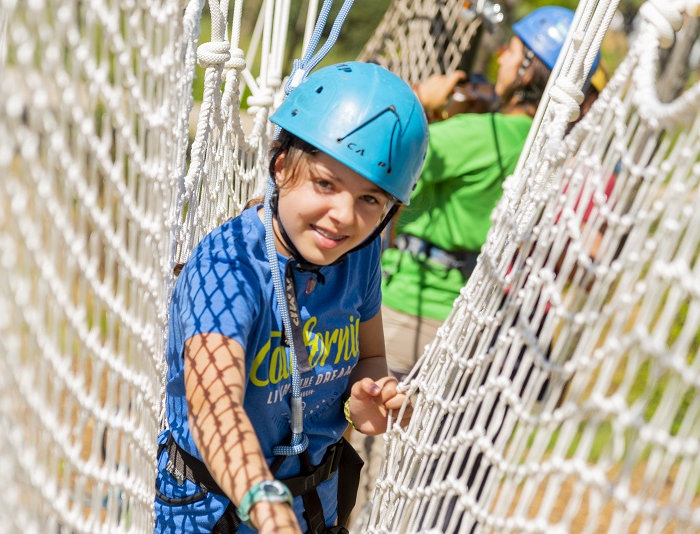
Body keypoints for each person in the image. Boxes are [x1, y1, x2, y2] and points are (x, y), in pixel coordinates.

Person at [154, 61, 429, 533]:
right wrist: (266, 504)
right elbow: (214, 408)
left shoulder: (356, 258)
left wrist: (362, 403)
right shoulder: (229, 266)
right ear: (281, 169)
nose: (343, 215)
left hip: (313, 509)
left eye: (371, 200)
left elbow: (371, 355)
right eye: (326, 183)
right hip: (215, 516)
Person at [348, 6, 586, 530]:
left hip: (403, 314)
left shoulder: (482, 135)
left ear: (530, 71)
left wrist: (422, 102)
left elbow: (376, 155)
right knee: (419, 469)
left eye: (514, 52)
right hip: (463, 324)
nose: (501, 56)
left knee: (360, 461)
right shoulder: (553, 149)